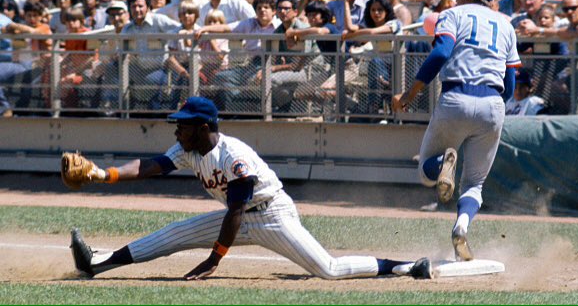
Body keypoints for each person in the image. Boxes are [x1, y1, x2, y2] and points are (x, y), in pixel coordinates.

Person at [67, 96, 433, 280]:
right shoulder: (189, 148)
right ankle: (97, 264)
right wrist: (103, 175)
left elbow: (238, 210)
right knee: (172, 235)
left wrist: (214, 259)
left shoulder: (233, 156)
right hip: (236, 215)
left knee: (328, 269)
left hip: (271, 214)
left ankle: (403, 267)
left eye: (183, 125)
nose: (176, 130)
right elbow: (151, 167)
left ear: (203, 126)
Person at [393, 0, 521, 261]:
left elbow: (440, 55)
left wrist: (410, 94)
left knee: (426, 169)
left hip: (456, 96)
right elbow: (511, 81)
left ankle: (442, 165)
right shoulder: (506, 24)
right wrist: (493, 108)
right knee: (474, 184)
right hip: (492, 102)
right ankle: (462, 225)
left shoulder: (453, 14)